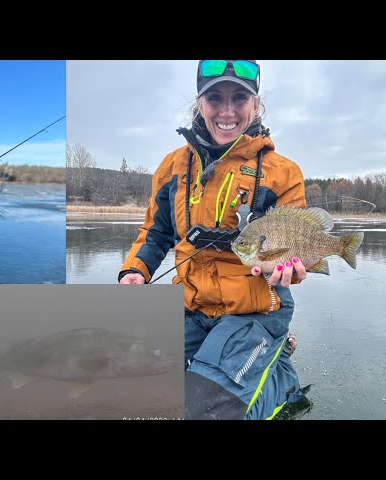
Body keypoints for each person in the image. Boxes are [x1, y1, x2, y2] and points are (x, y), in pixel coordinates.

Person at [119, 60, 310, 420]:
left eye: (239, 98)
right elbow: (157, 231)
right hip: (189, 305)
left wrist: (294, 269)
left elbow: (296, 243)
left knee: (200, 412)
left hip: (255, 312)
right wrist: (135, 270)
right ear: (200, 104)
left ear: (255, 105)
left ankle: (280, 378)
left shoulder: (284, 172)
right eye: (214, 98)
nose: (227, 110)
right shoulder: (172, 166)